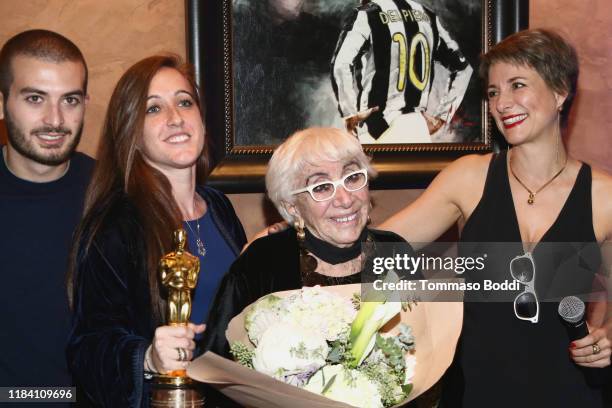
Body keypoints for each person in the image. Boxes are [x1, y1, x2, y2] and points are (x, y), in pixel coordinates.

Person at [381, 29, 612, 406]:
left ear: (559, 93)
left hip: (569, 394)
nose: (502, 103)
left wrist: (608, 334)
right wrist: (301, 236)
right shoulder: (469, 178)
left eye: (517, 85)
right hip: (476, 392)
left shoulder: (603, 196)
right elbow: (382, 249)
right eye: (493, 92)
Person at [66, 55, 246, 407]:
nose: (176, 118)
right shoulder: (115, 225)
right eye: (153, 109)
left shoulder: (220, 207)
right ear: (131, 132)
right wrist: (147, 357)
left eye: (184, 102)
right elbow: (87, 349)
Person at [202, 127, 418, 357]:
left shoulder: (395, 252)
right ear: (292, 207)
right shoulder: (261, 264)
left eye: (352, 177)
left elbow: (424, 348)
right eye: (321, 187)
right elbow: (218, 365)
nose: (345, 199)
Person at [0, 29, 93, 397]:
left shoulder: (112, 194)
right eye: (35, 98)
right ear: (2, 102)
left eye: (70, 100)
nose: (55, 119)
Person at [331, 0, 473, 143]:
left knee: (363, 165)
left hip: (375, 130)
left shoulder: (366, 14)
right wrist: (442, 117)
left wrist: (350, 114)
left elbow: (341, 65)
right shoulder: (428, 15)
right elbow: (464, 68)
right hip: (417, 128)